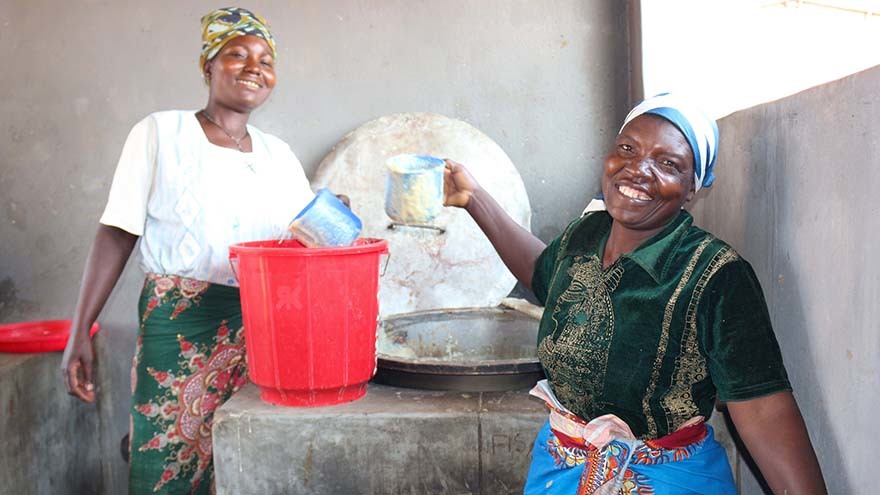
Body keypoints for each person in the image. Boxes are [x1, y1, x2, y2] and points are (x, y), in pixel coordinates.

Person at [443, 93, 827, 494]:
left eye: (668, 163)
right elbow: (544, 275)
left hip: (665, 480)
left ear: (691, 189)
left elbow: (765, 411)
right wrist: (473, 199)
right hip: (561, 469)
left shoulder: (715, 275)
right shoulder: (585, 235)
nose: (637, 169)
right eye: (627, 148)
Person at [61, 7, 315, 494]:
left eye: (265, 60)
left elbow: (307, 242)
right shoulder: (161, 133)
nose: (253, 68)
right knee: (167, 463)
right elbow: (118, 232)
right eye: (236, 54)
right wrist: (79, 332)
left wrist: (335, 214)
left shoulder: (278, 155)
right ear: (208, 66)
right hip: (180, 326)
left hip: (264, 332)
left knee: (250, 464)